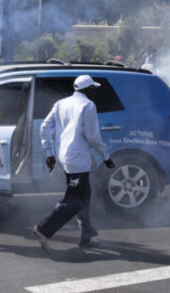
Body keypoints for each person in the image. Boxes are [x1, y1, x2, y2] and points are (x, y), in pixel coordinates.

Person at [34, 75, 116, 256]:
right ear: (87, 90)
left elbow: (44, 128)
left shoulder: (60, 103)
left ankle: (87, 235)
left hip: (65, 156)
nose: (94, 92)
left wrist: (50, 154)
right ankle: (44, 228)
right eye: (93, 89)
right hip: (78, 159)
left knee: (85, 195)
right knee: (75, 200)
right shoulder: (88, 106)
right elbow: (93, 137)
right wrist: (105, 155)